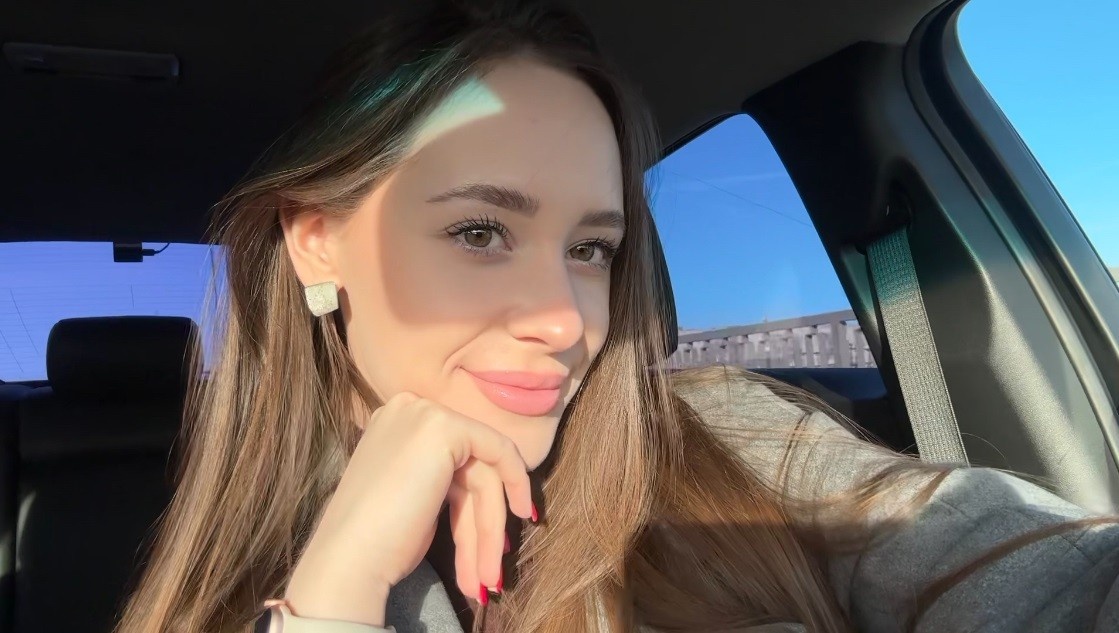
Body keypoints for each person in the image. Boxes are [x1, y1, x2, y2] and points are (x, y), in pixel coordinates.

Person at [114, 1, 1119, 632]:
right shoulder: (220, 587)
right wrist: (334, 594)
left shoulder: (724, 445)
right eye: (479, 232)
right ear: (317, 242)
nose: (564, 320)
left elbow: (1040, 573)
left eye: (591, 249)